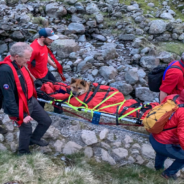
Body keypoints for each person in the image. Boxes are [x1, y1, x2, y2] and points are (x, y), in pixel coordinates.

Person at [0, 42, 52, 155]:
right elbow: (8, 97)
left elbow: (26, 79)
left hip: (30, 100)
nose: (28, 61)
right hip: (20, 105)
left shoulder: (20, 64)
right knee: (26, 129)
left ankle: (34, 140)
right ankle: (23, 152)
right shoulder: (5, 71)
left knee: (46, 121)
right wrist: (21, 116)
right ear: (17, 56)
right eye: (26, 58)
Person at [149, 89, 184, 180]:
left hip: (154, 135)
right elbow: (182, 136)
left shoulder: (172, 97)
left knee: (161, 153)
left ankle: (158, 168)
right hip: (164, 143)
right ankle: (168, 174)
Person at [28, 28, 64, 113]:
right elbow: (25, 64)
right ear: (43, 37)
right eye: (50, 38)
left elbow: (45, 54)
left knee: (58, 89)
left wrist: (52, 64)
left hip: (45, 72)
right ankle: (40, 114)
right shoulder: (33, 49)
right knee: (42, 95)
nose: (52, 40)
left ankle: (58, 110)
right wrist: (33, 78)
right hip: (38, 77)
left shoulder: (44, 44)